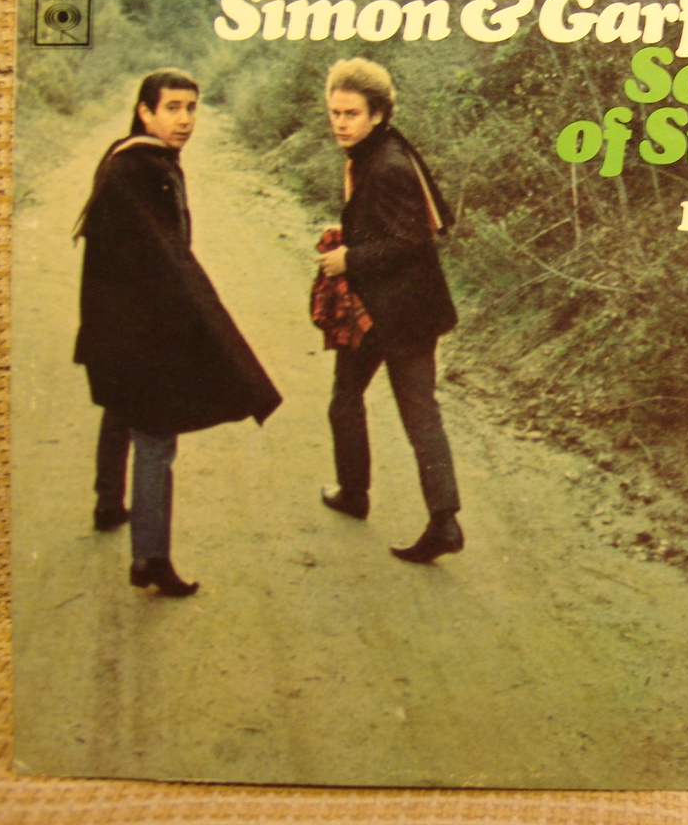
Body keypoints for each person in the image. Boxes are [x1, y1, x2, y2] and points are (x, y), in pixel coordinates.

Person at [74, 68, 282, 595]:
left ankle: (108, 503)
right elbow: (169, 263)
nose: (185, 119)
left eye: (191, 108)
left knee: (120, 404)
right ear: (145, 112)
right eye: (172, 108)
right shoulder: (140, 170)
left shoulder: (131, 158)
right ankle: (150, 559)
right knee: (156, 438)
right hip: (136, 327)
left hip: (113, 324)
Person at [316, 58, 463, 563]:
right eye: (335, 113)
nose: (340, 123)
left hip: (394, 312)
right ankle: (436, 519)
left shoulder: (388, 165)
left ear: (377, 114)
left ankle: (361, 497)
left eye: (351, 114)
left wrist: (349, 259)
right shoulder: (378, 151)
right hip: (401, 308)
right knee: (408, 412)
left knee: (362, 402)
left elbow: (412, 241)